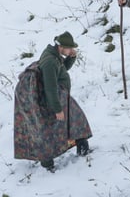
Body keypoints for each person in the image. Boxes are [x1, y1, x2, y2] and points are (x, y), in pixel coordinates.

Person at [14, 31, 92, 172]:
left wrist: (71, 58)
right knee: (52, 128)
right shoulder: (50, 61)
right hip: (54, 97)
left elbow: (61, 70)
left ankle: (81, 148)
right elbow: (50, 87)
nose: (71, 50)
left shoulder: (54, 55)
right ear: (61, 47)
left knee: (74, 119)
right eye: (69, 48)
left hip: (60, 94)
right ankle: (47, 163)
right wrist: (57, 109)